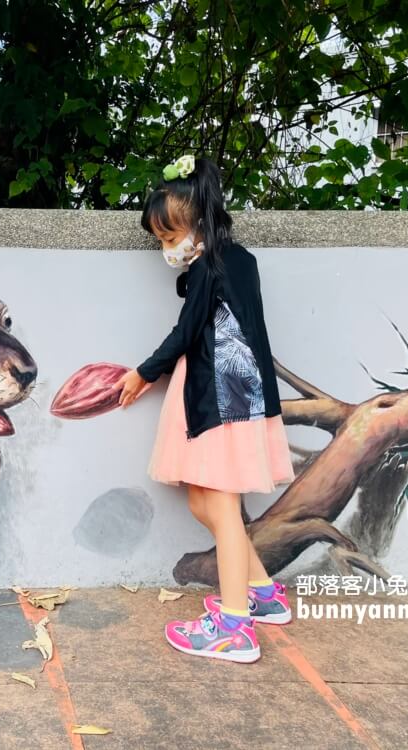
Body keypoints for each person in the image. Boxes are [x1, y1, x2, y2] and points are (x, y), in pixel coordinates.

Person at [115, 154, 296, 664]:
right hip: (241, 395)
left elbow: (188, 331)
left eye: (171, 237)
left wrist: (143, 372)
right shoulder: (241, 261)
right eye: (161, 242)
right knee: (207, 503)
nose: (167, 249)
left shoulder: (208, 268)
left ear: (200, 223)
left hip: (221, 395)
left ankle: (234, 629)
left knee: (217, 506)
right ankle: (261, 593)